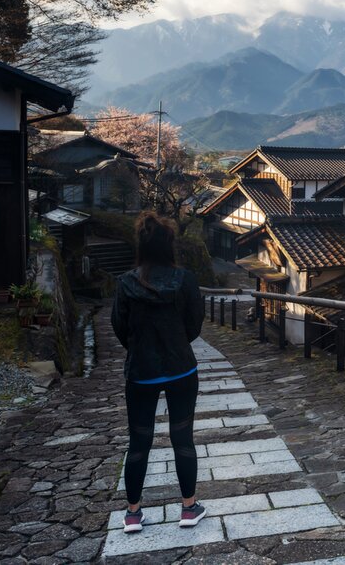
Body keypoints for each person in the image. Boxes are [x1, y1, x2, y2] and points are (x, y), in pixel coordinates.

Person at [111, 212, 205, 532]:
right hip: (181, 370)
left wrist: (140, 349)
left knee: (138, 443)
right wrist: (176, 343)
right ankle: (189, 508)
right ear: (169, 245)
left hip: (141, 373)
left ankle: (133, 514)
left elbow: (119, 327)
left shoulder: (125, 283)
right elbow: (194, 324)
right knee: (183, 440)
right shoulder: (186, 280)